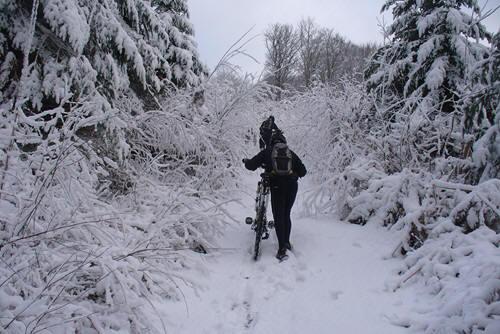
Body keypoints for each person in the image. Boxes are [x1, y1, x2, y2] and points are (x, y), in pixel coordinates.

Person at [243, 124, 307, 260]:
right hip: (291, 186)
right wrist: (293, 174)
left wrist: (246, 162)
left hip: (276, 186)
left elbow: (251, 165)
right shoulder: (291, 153)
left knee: (278, 216)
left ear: (271, 142)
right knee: (286, 214)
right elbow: (303, 171)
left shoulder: (267, 152)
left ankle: (281, 248)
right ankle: (286, 242)